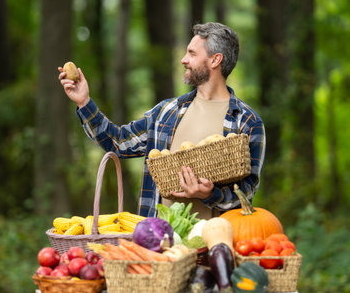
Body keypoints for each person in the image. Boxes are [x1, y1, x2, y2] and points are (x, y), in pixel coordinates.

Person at [58, 22, 266, 219]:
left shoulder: (247, 122)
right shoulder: (166, 112)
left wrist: (210, 195)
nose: (184, 59)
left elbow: (246, 194)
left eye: (192, 53)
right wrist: (84, 102)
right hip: (159, 246)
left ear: (215, 60)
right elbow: (119, 142)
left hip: (215, 247)